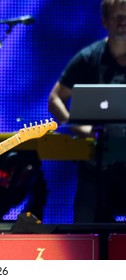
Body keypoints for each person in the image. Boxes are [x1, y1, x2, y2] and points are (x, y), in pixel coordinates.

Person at [48, 0, 126, 222]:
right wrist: (79, 127)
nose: (122, 22)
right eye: (117, 17)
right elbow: (55, 99)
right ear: (104, 21)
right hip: (95, 164)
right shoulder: (89, 57)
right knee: (85, 231)